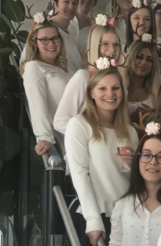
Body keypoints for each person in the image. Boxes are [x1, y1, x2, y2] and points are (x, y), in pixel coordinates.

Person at [65, 67, 138, 246]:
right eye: (102, 88)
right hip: (96, 212)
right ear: (92, 93)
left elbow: (133, 179)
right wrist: (93, 220)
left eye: (115, 88)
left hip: (126, 215)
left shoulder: (130, 131)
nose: (110, 94)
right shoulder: (79, 125)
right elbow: (79, 174)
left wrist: (134, 165)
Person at [54, 24, 122, 134]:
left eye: (116, 44)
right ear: (95, 45)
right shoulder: (83, 77)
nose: (112, 50)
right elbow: (60, 121)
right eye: (105, 44)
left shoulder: (119, 81)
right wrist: (90, 135)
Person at [20, 19, 72, 156]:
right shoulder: (33, 67)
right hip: (65, 134)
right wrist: (44, 136)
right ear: (34, 43)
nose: (51, 43)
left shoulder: (66, 67)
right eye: (44, 39)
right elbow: (36, 104)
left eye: (55, 38)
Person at [123, 40, 159, 123]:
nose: (144, 62)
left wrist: (152, 116)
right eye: (139, 57)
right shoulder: (119, 88)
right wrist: (129, 120)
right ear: (130, 58)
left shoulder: (157, 93)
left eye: (149, 60)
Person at [50, 0, 82, 73]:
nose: (71, 7)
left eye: (74, 3)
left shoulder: (72, 31)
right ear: (54, 3)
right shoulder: (46, 30)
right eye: (66, 1)